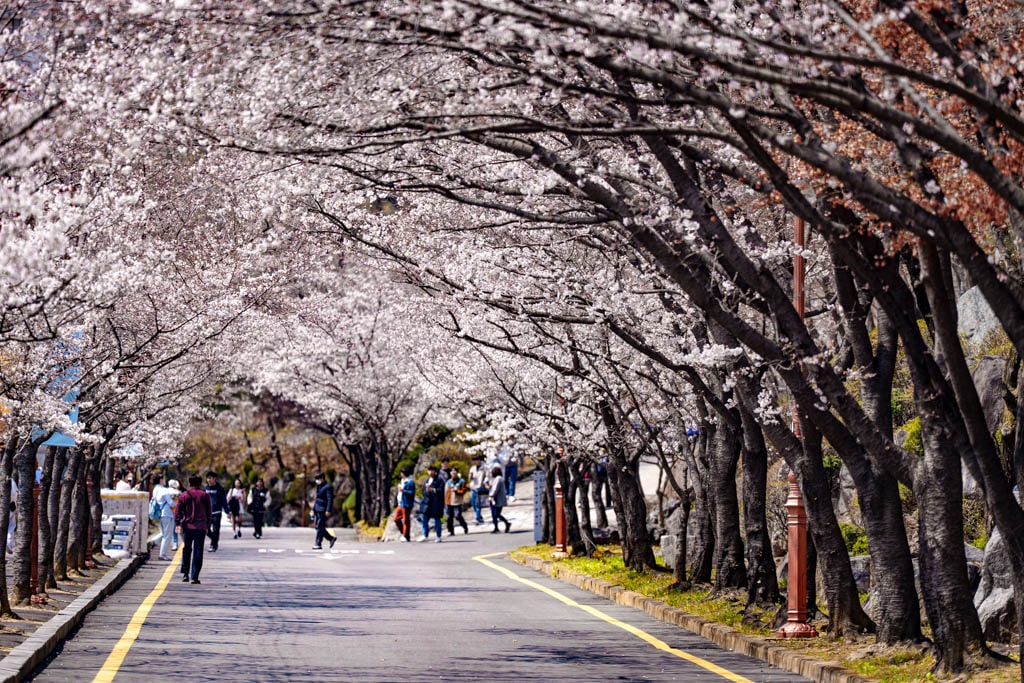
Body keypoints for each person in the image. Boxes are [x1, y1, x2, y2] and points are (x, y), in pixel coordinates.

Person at [175, 475, 212, 584]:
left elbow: (178, 511)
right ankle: (194, 576)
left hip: (187, 526)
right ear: (200, 484)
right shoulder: (205, 496)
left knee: (187, 549)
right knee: (198, 551)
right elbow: (209, 513)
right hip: (200, 527)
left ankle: (185, 573)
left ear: (189, 483)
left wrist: (178, 523)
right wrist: (207, 526)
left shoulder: (184, 495)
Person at [151, 474, 176, 560]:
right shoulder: (164, 490)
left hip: (160, 513)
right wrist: (179, 504)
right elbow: (171, 503)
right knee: (167, 535)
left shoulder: (155, 489)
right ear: (160, 480)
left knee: (164, 533)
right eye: (163, 479)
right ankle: (162, 554)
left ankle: (160, 550)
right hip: (167, 513)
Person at [419, 465, 445, 542]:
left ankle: (438, 536)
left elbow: (441, 490)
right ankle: (425, 535)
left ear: (435, 471)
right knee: (424, 519)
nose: (430, 472)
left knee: (437, 520)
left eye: (432, 471)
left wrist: (433, 490)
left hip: (436, 503)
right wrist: (427, 491)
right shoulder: (427, 480)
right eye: (429, 471)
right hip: (427, 503)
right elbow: (423, 491)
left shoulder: (439, 480)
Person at [311, 472, 337, 550]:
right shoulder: (319, 486)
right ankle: (331, 538)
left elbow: (330, 499)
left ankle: (318, 543)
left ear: (323, 478)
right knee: (318, 526)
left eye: (318, 479)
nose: (317, 480)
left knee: (319, 526)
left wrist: (328, 510)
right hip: (317, 509)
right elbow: (317, 499)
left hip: (323, 509)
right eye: (316, 479)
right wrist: (313, 509)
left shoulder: (328, 487)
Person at [204, 472, 228, 552]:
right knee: (205, 529)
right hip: (207, 513)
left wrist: (228, 511)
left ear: (215, 478)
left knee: (216, 530)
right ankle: (214, 539)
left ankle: (213, 545)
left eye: (210, 478)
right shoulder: (205, 489)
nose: (209, 480)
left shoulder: (220, 489)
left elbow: (224, 501)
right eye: (208, 478)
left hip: (217, 512)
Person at [444, 467, 469, 536]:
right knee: (449, 517)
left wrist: (456, 491)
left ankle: (464, 526)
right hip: (449, 501)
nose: (453, 474)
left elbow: (463, 490)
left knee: (458, 515)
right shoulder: (448, 482)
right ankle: (451, 531)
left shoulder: (461, 481)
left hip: (458, 501)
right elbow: (445, 492)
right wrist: (445, 500)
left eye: (455, 472)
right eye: (452, 472)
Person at [489, 466, 510, 534]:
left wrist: (491, 495)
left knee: (496, 514)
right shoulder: (497, 479)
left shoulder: (498, 479)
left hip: (497, 499)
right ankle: (496, 527)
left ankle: (506, 523)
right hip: (495, 499)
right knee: (494, 514)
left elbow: (495, 488)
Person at [468, 455, 488, 525]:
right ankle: (480, 516)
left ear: (479, 460)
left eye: (476, 460)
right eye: (474, 461)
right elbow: (469, 477)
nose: (475, 462)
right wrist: (470, 476)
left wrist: (484, 482)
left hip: (480, 487)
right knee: (473, 504)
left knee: (477, 504)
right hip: (473, 487)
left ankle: (477, 518)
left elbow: (487, 476)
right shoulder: (473, 468)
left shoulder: (484, 467)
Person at [397, 467, 415, 542]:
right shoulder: (402, 481)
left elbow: (412, 493)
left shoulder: (410, 482)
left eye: (401, 473)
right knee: (396, 519)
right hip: (400, 502)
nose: (401, 474)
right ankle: (405, 534)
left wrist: (403, 490)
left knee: (406, 520)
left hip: (406, 503)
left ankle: (405, 535)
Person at [168, 479, 181, 550]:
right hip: (176, 512)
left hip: (167, 513)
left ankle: (172, 543)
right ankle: (175, 543)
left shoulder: (167, 492)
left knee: (167, 530)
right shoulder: (179, 493)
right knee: (175, 529)